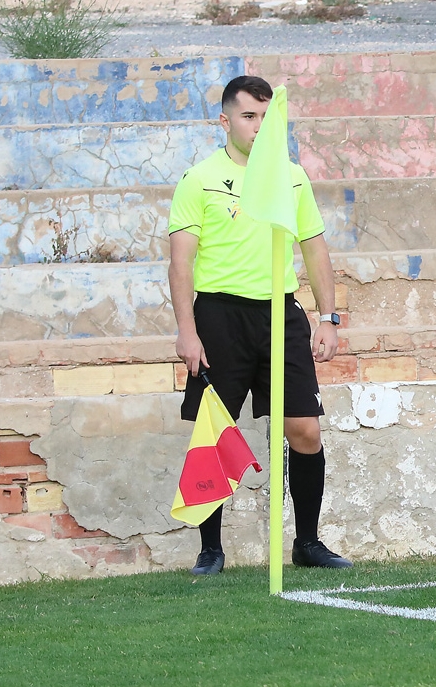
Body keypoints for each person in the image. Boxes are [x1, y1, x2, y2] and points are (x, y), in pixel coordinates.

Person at [168, 75, 351, 575]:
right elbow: (181, 264)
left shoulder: (291, 177)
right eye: (249, 116)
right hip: (219, 316)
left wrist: (328, 317)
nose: (258, 127)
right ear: (225, 121)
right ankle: (211, 550)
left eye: (268, 118)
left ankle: (308, 543)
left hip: (280, 312)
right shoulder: (198, 178)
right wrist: (188, 331)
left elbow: (314, 247)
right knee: (214, 430)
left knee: (305, 429)